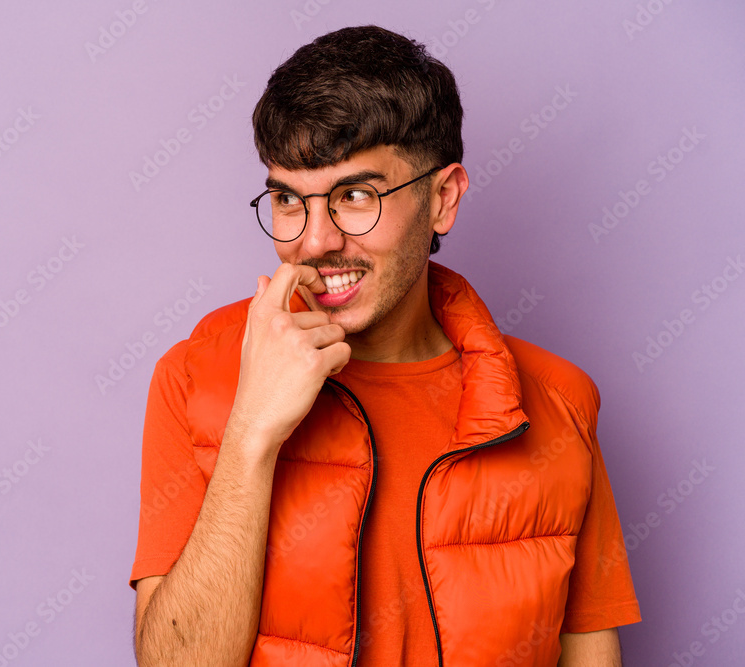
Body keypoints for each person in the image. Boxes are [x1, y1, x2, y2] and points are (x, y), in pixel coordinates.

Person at [129, 24, 641, 666]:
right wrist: (251, 434)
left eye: (354, 196)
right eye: (288, 199)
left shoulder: (559, 401)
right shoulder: (194, 376)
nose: (315, 241)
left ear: (443, 199)